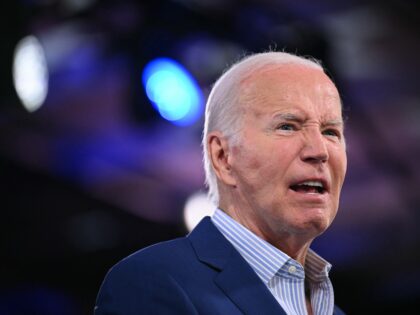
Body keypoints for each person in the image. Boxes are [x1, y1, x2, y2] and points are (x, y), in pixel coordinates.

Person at [94, 51, 347, 315]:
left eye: (331, 131)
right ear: (223, 157)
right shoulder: (153, 281)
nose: (320, 151)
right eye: (288, 126)